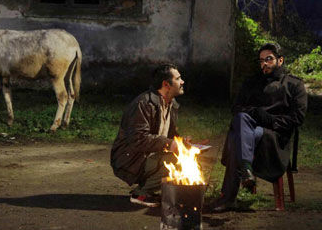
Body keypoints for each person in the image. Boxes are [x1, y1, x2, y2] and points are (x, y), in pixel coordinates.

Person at [211, 43, 308, 211]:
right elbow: (236, 108)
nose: (264, 64)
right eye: (261, 60)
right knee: (241, 119)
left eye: (269, 59)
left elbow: (297, 118)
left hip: (275, 137)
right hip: (250, 128)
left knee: (236, 137)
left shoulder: (294, 85)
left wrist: (269, 119)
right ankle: (246, 170)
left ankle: (229, 196)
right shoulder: (252, 83)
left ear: (280, 60)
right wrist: (255, 113)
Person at [110, 63, 191, 207]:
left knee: (186, 155)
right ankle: (140, 194)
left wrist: (181, 142)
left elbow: (168, 136)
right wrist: (170, 144)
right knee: (176, 160)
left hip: (145, 155)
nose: (182, 81)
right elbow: (138, 139)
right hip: (129, 159)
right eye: (178, 79)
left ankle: (147, 189)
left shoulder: (171, 104)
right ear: (166, 84)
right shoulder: (144, 104)